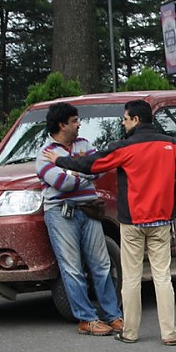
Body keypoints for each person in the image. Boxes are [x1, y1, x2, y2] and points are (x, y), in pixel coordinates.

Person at [44, 99, 176, 345]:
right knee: (162, 276)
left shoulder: (124, 147)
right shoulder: (172, 145)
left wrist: (59, 161)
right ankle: (170, 333)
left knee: (133, 277)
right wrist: (171, 198)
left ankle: (130, 332)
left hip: (132, 221)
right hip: (163, 219)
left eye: (125, 119)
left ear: (136, 119)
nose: (123, 124)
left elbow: (92, 165)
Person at [36, 103, 123, 336]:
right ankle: (86, 319)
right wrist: (85, 173)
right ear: (62, 124)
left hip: (89, 210)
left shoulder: (84, 144)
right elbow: (62, 183)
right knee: (72, 267)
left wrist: (74, 171)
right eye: (74, 120)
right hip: (60, 213)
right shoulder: (45, 153)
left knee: (102, 263)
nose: (79, 124)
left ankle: (112, 315)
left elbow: (100, 168)